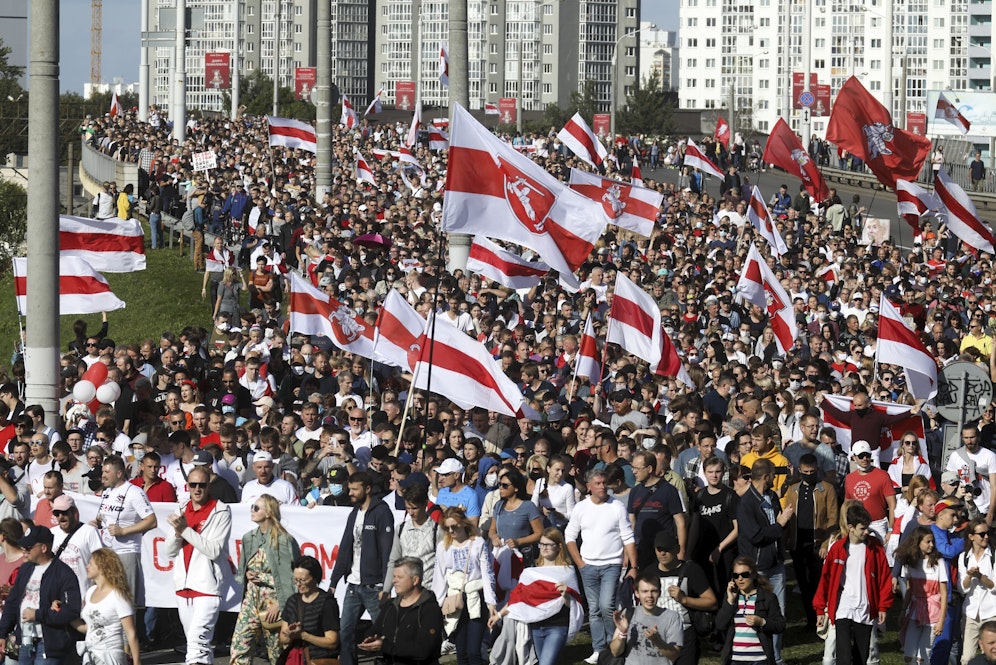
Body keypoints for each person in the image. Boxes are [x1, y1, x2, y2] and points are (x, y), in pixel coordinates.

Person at [565, 468, 638, 665]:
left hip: (611, 565)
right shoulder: (581, 508)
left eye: (604, 483)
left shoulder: (617, 506)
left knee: (607, 606)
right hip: (588, 566)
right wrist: (580, 562)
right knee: (595, 609)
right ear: (588, 487)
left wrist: (634, 565)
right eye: (598, 483)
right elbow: (569, 537)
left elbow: (628, 537)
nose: (603, 486)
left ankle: (612, 645)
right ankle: (598, 649)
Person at [164, 465, 233, 665]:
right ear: (187, 486)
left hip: (207, 588)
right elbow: (169, 552)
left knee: (195, 643)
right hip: (183, 588)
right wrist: (177, 534)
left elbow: (213, 550)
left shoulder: (221, 511)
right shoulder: (181, 508)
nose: (197, 489)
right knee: (199, 645)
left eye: (201, 485)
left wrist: (184, 530)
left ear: (208, 486)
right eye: (193, 484)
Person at [487, 528, 583, 665]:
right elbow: (518, 599)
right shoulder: (530, 573)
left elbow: (573, 605)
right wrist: (499, 615)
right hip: (536, 627)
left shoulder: (567, 572)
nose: (543, 548)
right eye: (541, 544)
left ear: (559, 546)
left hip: (557, 627)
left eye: (548, 545)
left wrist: (566, 595)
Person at [813, 504, 893, 665]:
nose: (867, 532)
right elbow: (826, 579)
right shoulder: (837, 548)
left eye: (867, 528)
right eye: (862, 528)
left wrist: (883, 606)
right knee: (843, 654)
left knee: (861, 656)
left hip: (865, 608)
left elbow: (884, 578)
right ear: (851, 528)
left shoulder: (875, 547)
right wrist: (820, 608)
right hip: (843, 608)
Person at [329, 471, 394, 665]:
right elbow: (345, 548)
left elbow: (387, 551)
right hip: (353, 584)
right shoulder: (354, 513)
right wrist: (333, 582)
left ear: (367, 489)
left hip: (374, 585)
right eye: (350, 488)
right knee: (346, 631)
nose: (350, 492)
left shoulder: (382, 512)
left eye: (355, 489)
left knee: (385, 632)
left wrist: (386, 585)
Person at [231, 494, 301, 665]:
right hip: (251, 599)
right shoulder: (249, 538)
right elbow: (244, 568)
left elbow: (295, 577)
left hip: (274, 600)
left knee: (277, 652)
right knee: (239, 646)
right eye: (252, 507)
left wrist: (281, 604)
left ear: (268, 512)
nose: (252, 511)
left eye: (256, 508)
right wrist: (247, 574)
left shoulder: (284, 540)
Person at [0, 525, 82, 665]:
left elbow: (71, 611)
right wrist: (2, 633)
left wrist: (38, 614)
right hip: (25, 641)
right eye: (23, 546)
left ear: (43, 548)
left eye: (29, 547)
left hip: (49, 644)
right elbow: (12, 603)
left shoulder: (63, 573)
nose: (24, 550)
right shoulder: (25, 569)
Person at [736, 458, 791, 663]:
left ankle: (775, 658)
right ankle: (758, 656)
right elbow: (756, 536)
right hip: (757, 567)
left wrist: (782, 526)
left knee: (779, 613)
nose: (775, 480)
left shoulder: (772, 496)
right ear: (766, 476)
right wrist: (780, 524)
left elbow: (776, 529)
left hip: (776, 564)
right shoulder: (747, 503)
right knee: (758, 612)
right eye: (773, 477)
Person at [432, 507, 497, 665]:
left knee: (473, 651)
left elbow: (487, 573)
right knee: (461, 652)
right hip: (455, 599)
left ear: (463, 524)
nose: (451, 530)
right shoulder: (443, 547)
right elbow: (439, 576)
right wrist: (437, 604)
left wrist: (491, 602)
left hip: (475, 596)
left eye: (454, 526)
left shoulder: (477, 543)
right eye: (447, 528)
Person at [780, 453, 838, 632]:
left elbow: (833, 519)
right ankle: (810, 619)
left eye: (812, 472)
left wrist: (824, 544)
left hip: (816, 544)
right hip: (798, 545)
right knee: (803, 584)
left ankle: (823, 618)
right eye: (805, 472)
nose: (809, 475)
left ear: (817, 470)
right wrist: (786, 542)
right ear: (799, 471)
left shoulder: (827, 489)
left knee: (818, 583)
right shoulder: (793, 490)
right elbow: (788, 517)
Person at [642, 531, 718, 665]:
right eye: (659, 549)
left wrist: (684, 599)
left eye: (667, 549)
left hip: (685, 634)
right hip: (657, 634)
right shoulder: (649, 572)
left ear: (677, 549)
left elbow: (712, 602)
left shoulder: (691, 570)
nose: (663, 553)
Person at [91, 455, 157, 602]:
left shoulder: (134, 492)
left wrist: (124, 531)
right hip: (107, 553)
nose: (103, 475)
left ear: (119, 473)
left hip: (126, 552)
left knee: (125, 602)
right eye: (103, 471)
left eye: (107, 472)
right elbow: (103, 518)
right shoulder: (107, 491)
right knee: (106, 600)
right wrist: (96, 522)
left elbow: (152, 521)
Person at [360, 556, 445, 665]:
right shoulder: (390, 606)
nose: (394, 581)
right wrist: (370, 639)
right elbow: (375, 630)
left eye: (399, 577)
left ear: (415, 580)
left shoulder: (430, 609)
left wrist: (384, 646)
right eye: (394, 576)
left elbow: (423, 650)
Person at [68, 548, 142, 665]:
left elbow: (131, 633)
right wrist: (65, 613)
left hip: (110, 656)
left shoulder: (118, 596)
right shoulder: (90, 592)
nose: (87, 566)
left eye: (91, 564)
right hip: (91, 655)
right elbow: (90, 627)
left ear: (102, 567)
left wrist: (137, 662)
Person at [716, 555, 786, 664]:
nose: (740, 579)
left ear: (753, 575)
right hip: (735, 659)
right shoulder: (732, 598)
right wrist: (730, 601)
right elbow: (720, 625)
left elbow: (780, 625)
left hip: (759, 659)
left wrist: (762, 622)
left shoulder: (767, 598)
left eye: (744, 575)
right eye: (736, 575)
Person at [895, 525, 947, 664]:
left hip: (933, 612)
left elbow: (943, 592)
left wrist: (941, 620)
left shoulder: (938, 562)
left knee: (923, 656)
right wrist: (902, 611)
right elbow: (910, 590)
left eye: (932, 542)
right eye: (927, 542)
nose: (931, 545)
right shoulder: (910, 564)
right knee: (908, 655)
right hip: (915, 611)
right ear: (917, 543)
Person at [607, 572, 683, 664]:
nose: (649, 596)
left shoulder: (672, 617)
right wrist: (623, 633)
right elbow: (615, 652)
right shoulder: (628, 613)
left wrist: (657, 640)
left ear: (659, 593)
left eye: (654, 591)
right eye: (645, 591)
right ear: (637, 593)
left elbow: (675, 655)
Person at [279, 555, 340, 665]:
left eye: (303, 580)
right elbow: (283, 638)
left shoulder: (327, 603)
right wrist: (290, 634)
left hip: (319, 660)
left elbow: (332, 642)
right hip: (296, 659)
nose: (298, 584)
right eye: (295, 580)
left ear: (315, 578)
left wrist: (303, 635)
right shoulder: (292, 601)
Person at [51, 494, 103, 599]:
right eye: (57, 513)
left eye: (64, 512)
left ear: (74, 511)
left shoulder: (89, 531)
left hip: (83, 596)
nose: (61, 517)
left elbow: (101, 565)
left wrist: (92, 595)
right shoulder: (51, 533)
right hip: (58, 598)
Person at [960, 518, 996, 665]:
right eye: (982, 534)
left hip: (991, 612)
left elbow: (994, 586)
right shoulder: (964, 558)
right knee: (966, 658)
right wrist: (969, 576)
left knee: (992, 656)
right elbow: (962, 588)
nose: (986, 537)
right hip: (970, 613)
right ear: (971, 536)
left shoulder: (993, 556)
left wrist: (980, 576)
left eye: (988, 533)